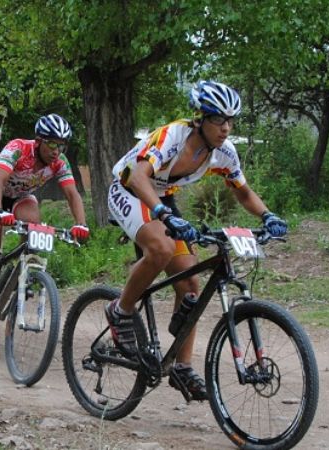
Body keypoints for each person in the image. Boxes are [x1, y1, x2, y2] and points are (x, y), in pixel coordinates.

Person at [105, 81, 288, 400]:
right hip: (130, 190)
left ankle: (182, 367)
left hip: (163, 198)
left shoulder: (224, 153)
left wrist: (267, 216)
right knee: (161, 248)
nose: (226, 128)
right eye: (219, 119)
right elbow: (138, 177)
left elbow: (242, 191)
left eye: (231, 121)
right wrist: (164, 214)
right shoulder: (172, 137)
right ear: (200, 118)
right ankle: (121, 310)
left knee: (190, 285)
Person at [0, 113, 90, 338]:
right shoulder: (18, 148)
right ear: (38, 141)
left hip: (20, 196)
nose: (56, 150)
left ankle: (23, 272)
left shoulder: (59, 163)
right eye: (51, 144)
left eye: (61, 145)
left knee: (33, 226)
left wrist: (81, 224)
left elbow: (72, 194)